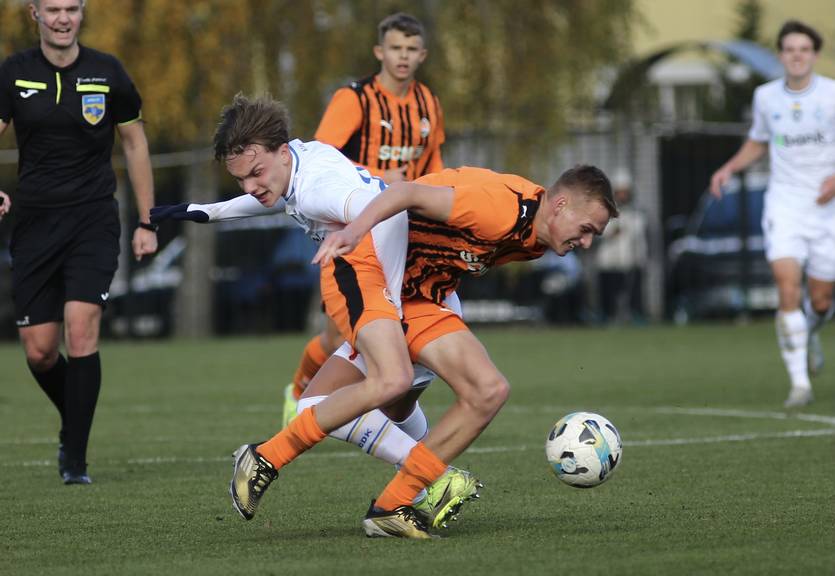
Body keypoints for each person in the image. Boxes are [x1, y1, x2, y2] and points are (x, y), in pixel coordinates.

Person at [224, 164, 617, 538]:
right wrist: (354, 229)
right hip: (369, 267)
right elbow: (406, 192)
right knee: (387, 384)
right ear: (561, 203)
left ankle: (390, 508)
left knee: (486, 390)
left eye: (593, 236)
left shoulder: (536, 236)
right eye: (586, 230)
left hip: (420, 296)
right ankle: (266, 456)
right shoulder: (500, 209)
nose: (585, 242)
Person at [151, 93, 480, 528]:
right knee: (396, 409)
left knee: (317, 407)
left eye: (256, 173)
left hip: (406, 308)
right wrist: (205, 212)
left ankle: (436, 479)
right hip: (426, 302)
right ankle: (430, 485)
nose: (250, 186)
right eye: (241, 179)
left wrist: (389, 301)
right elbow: (272, 197)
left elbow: (384, 212)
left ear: (281, 153)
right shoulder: (304, 157)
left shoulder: (316, 189)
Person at [0, 0, 157, 484]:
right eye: (53, 10)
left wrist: (148, 222)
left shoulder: (107, 72)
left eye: (71, 8)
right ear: (35, 14)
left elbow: (134, 143)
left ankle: (75, 458)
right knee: (40, 350)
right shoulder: (14, 72)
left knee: (81, 327)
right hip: (33, 224)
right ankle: (77, 419)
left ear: (82, 12)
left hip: (93, 220)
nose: (63, 18)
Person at [283, 12, 446, 427]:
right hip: (351, 230)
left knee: (398, 320)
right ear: (379, 51)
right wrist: (379, 178)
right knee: (339, 336)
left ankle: (393, 400)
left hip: (402, 230)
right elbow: (318, 160)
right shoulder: (353, 99)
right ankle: (301, 391)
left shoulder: (428, 104)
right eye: (395, 48)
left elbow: (433, 167)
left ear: (422, 54)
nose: (403, 57)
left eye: (411, 49)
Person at [709, 20, 835, 409]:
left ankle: (811, 331)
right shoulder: (766, 98)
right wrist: (728, 168)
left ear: (814, 54)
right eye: (790, 49)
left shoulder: (831, 95)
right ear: (781, 55)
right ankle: (799, 384)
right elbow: (758, 142)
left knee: (820, 299)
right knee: (786, 286)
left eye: (804, 49)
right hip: (785, 204)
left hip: (826, 209)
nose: (797, 55)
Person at [595, 169, 647, 324]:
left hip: (630, 260)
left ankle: (636, 316)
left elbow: (639, 233)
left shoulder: (636, 212)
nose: (622, 195)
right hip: (609, 261)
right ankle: (606, 317)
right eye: (619, 192)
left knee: (634, 294)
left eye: (625, 192)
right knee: (608, 294)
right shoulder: (605, 211)